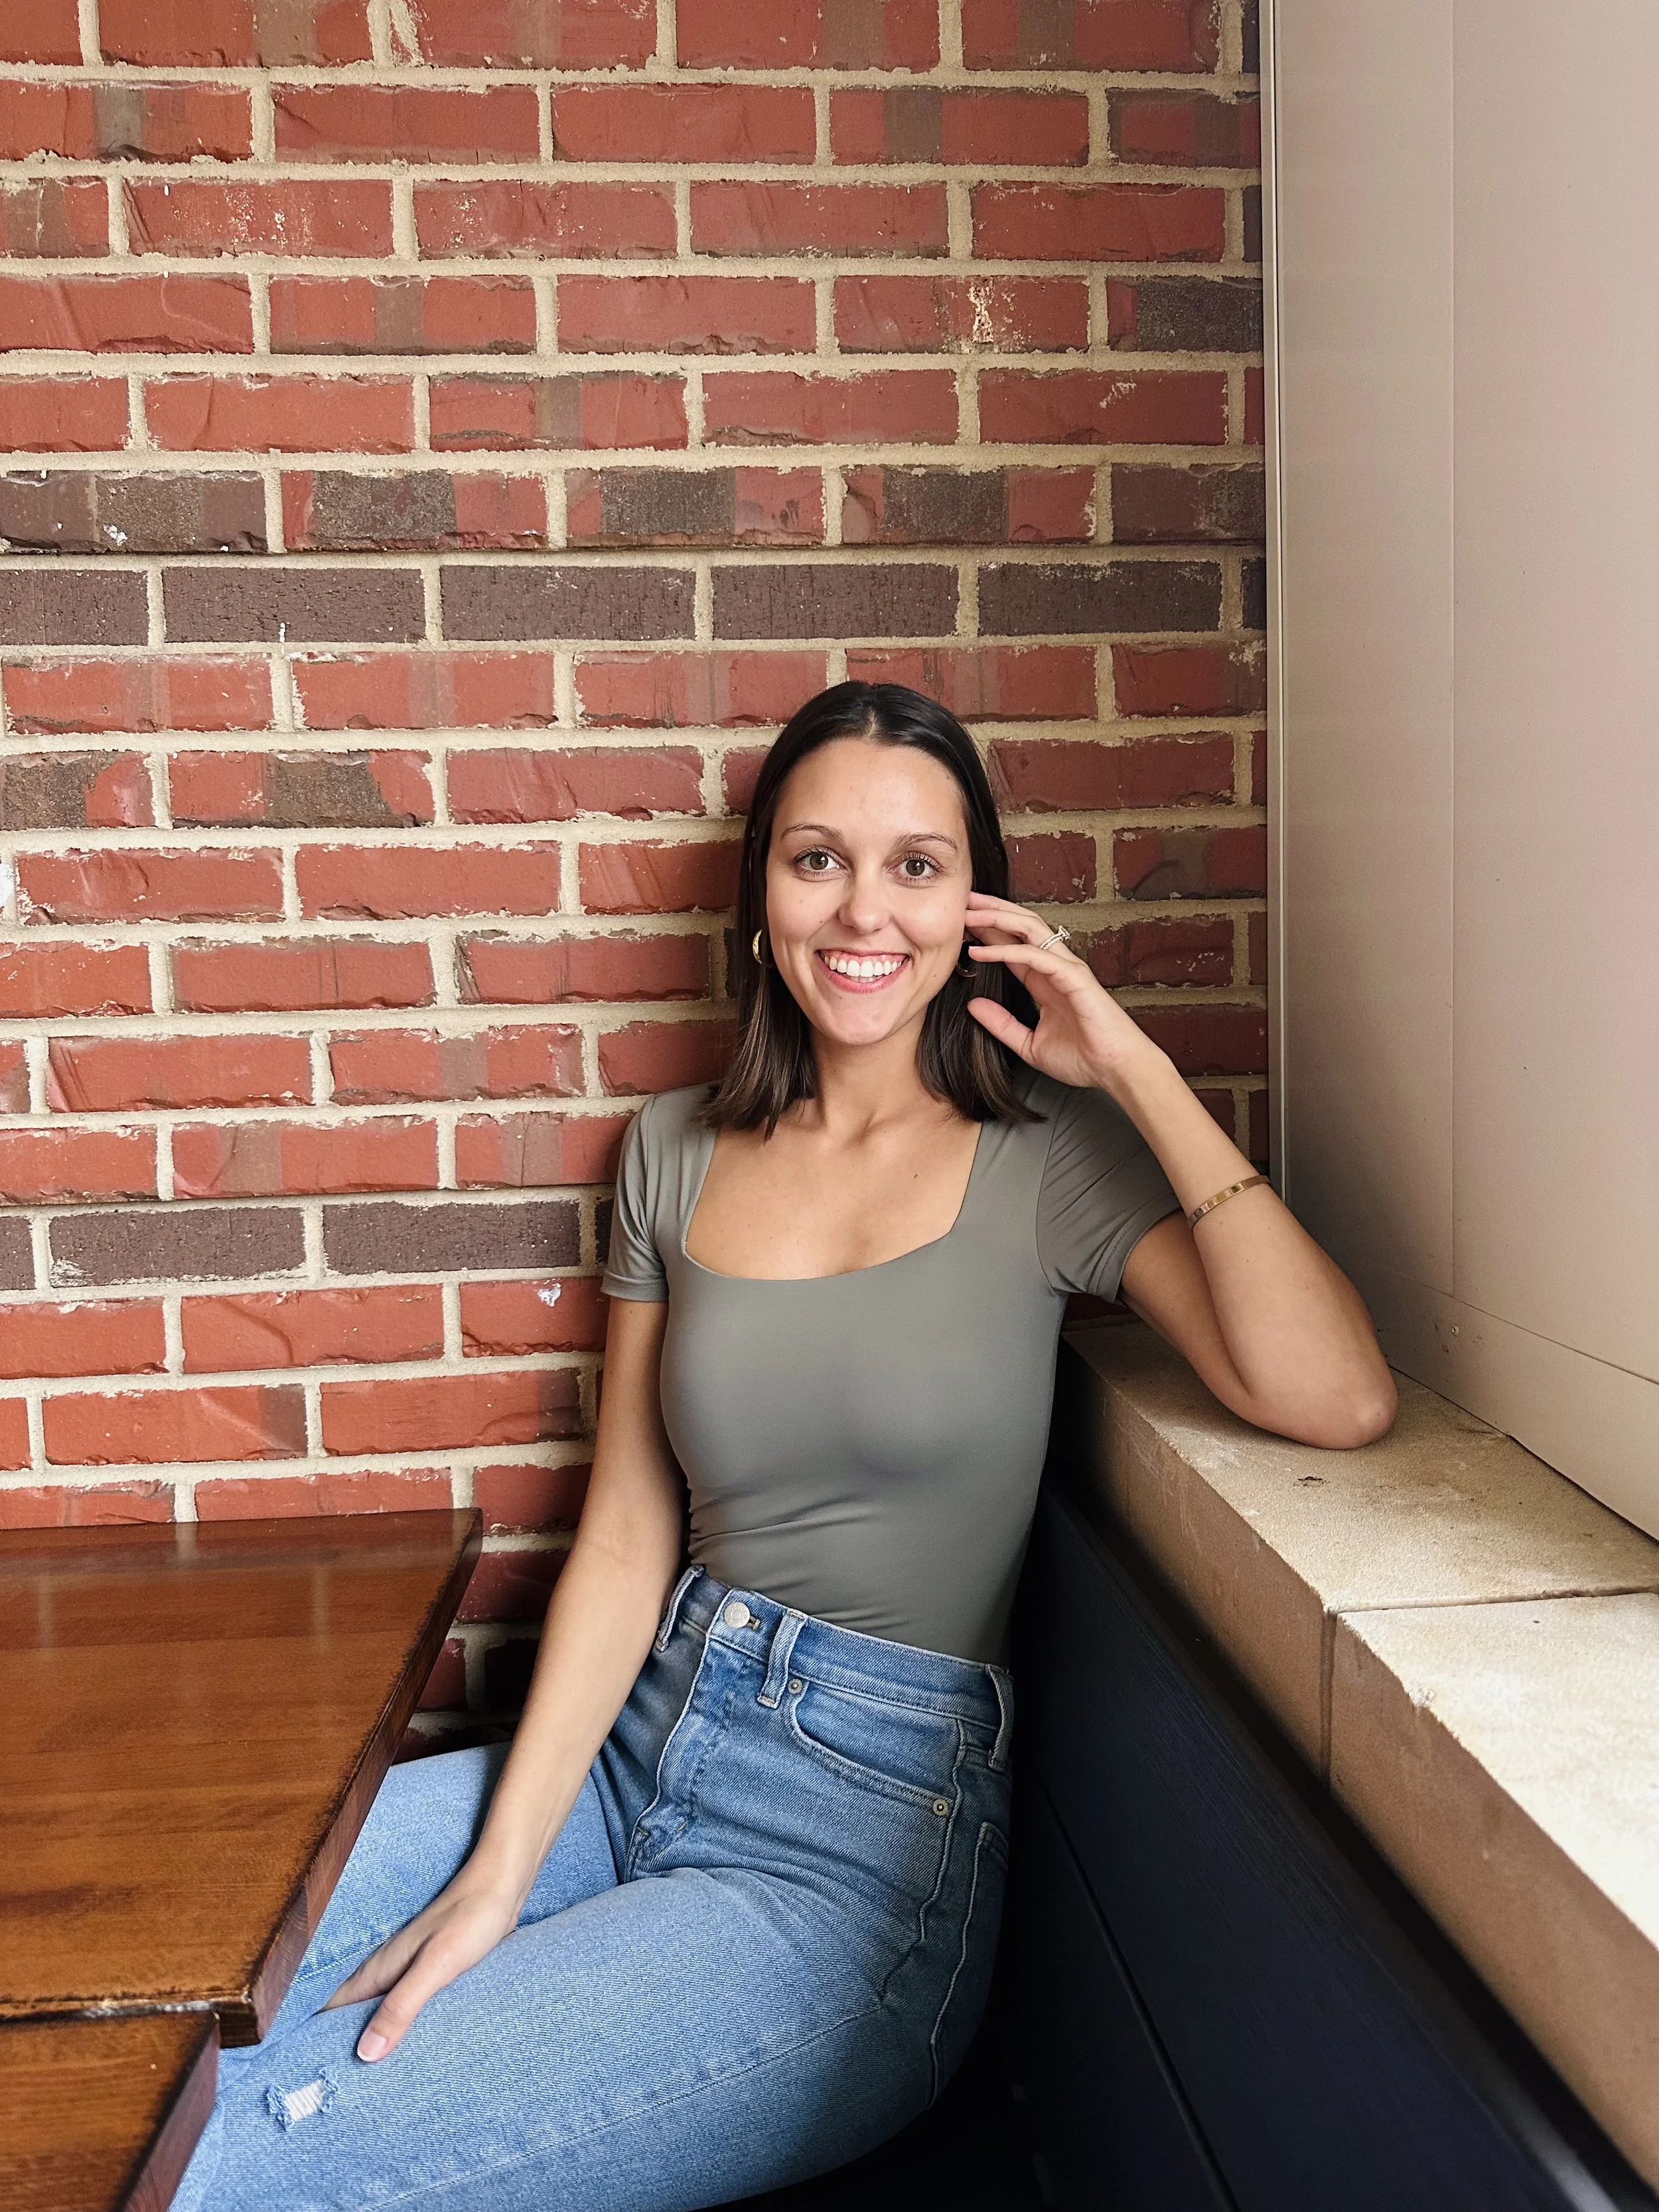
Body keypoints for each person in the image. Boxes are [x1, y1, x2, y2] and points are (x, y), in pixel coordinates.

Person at [175, 682, 1394, 2210]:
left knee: (258, 2148)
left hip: (847, 1859)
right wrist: (500, 1868)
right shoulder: (672, 1150)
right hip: (630, 1753)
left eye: (915, 865)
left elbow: (1335, 1396)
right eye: (818, 859)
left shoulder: (1046, 1157)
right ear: (761, 895)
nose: (862, 909)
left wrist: (1131, 1066)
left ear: (975, 903)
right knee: (159, 2013)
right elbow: (629, 1532)